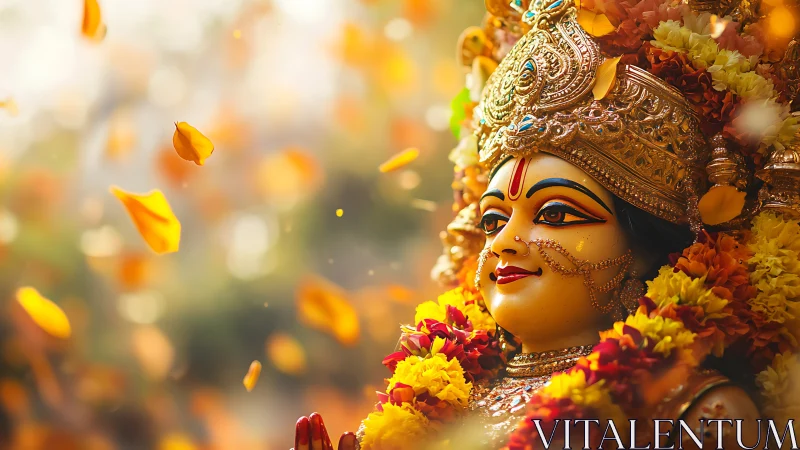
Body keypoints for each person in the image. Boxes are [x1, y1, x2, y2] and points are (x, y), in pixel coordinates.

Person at [294, 0, 800, 448]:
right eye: (493, 220)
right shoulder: (433, 411)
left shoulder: (694, 414)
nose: (505, 243)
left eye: (556, 214)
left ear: (646, 243)